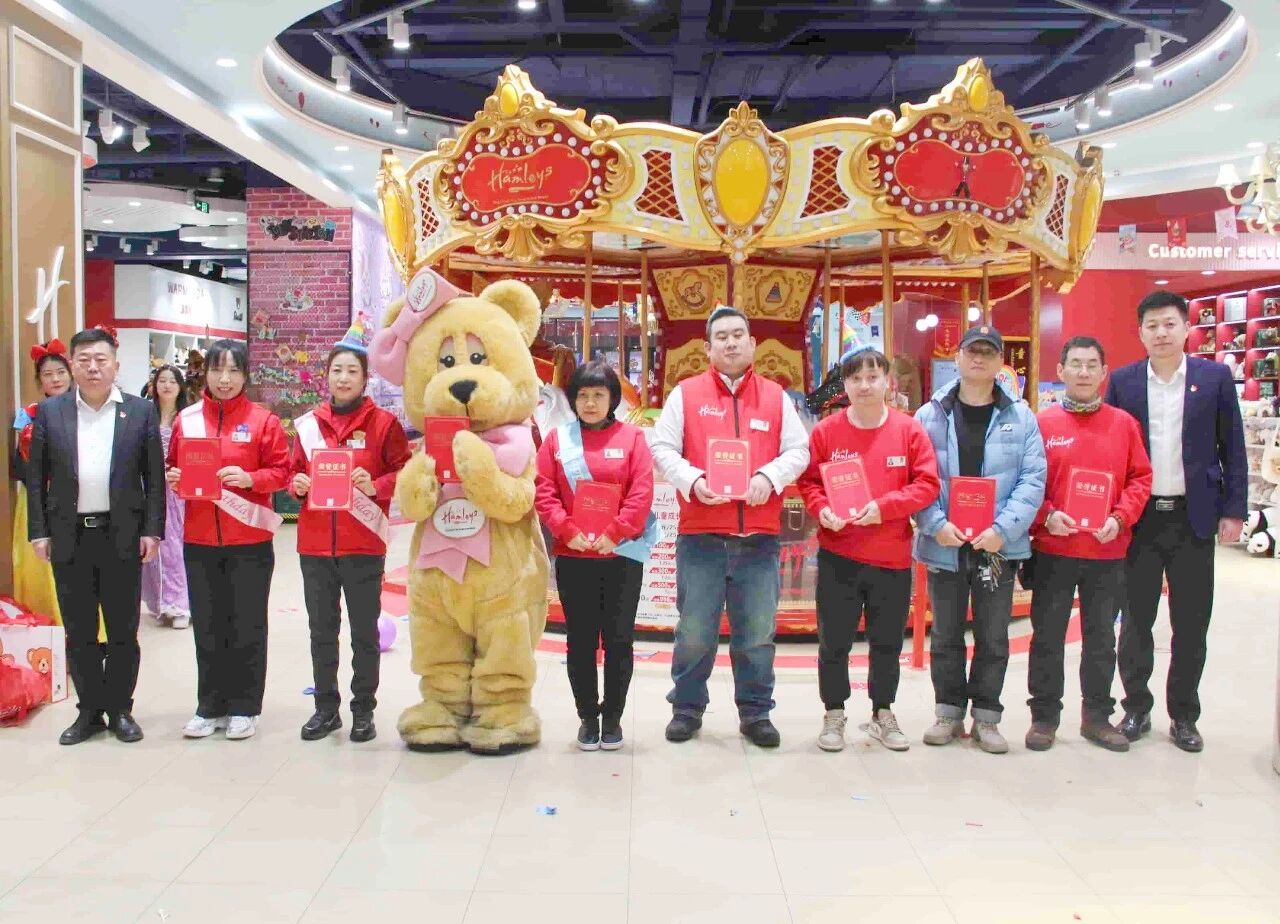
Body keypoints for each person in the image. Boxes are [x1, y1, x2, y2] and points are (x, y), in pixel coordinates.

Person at [650, 306, 810, 748]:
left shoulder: (776, 397)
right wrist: (693, 481)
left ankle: (756, 713)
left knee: (756, 634)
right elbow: (662, 447)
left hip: (758, 539)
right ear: (708, 347)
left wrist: (769, 478)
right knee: (694, 632)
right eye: (721, 336)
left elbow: (799, 451)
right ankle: (687, 709)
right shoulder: (685, 394)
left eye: (739, 334)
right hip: (701, 536)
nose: (731, 342)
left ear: (753, 343)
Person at [1104, 290, 1247, 752]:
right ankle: (1136, 708)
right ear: (1140, 333)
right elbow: (1111, 454)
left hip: (1194, 518)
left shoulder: (1214, 378)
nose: (1161, 333)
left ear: (1186, 328)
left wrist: (1234, 510)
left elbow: (1233, 448)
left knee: (1191, 623)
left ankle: (1184, 715)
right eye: (1152, 326)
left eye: (1169, 324)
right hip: (1140, 521)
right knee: (1135, 621)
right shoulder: (1124, 382)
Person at [797, 346, 940, 753]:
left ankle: (883, 712)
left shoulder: (909, 431)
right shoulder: (825, 432)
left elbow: (927, 484)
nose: (864, 386)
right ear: (844, 385)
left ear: (887, 382)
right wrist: (822, 509)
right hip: (838, 556)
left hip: (891, 556)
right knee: (834, 641)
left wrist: (884, 508)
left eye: (873, 377)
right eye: (856, 378)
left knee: (887, 643)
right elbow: (809, 483)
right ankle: (834, 712)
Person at [26, 327, 165, 745]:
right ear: (72, 365)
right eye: (84, 359)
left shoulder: (140, 411)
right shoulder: (50, 412)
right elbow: (37, 478)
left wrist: (152, 530)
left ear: (115, 366)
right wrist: (39, 531)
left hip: (121, 534)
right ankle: (88, 711)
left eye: (100, 360)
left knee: (123, 629)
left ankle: (120, 709)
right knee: (80, 630)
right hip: (69, 536)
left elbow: (153, 478)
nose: (92, 367)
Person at [913, 324, 1046, 754]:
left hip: (997, 548)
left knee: (993, 636)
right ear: (957, 357)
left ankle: (987, 717)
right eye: (972, 351)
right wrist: (935, 523)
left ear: (999, 362)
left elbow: (1032, 480)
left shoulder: (1021, 417)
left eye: (988, 352)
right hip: (945, 542)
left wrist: (1002, 530)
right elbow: (917, 478)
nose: (978, 359)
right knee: (946, 634)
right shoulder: (930, 415)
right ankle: (948, 712)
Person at [1026, 336, 1153, 752]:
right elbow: (1026, 482)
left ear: (1103, 373)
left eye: (1091, 365)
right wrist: (1046, 515)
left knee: (1100, 640)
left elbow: (1140, 478)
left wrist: (1120, 517)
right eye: (1075, 364)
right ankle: (1044, 716)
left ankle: (1096, 717)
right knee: (1047, 637)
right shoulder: (1042, 424)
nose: (1083, 372)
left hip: (1107, 552)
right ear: (1060, 371)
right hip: (1053, 551)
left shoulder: (1124, 424)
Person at [289, 331, 411, 744]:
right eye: (337, 370)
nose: (343, 378)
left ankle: (363, 710)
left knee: (364, 633)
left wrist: (376, 484)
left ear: (365, 379)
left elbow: (404, 471)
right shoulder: (309, 425)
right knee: (321, 631)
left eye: (352, 371)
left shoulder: (384, 424)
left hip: (363, 543)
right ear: (326, 376)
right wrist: (298, 485)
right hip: (315, 545)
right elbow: (292, 472)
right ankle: (326, 709)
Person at [166, 339, 289, 742]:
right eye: (217, 369)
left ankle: (245, 707)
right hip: (200, 540)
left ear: (245, 375)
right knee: (208, 624)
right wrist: (174, 477)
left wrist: (251, 478)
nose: (224, 379)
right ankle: (210, 706)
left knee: (248, 624)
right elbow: (173, 465)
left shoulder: (263, 421)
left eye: (234, 370)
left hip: (249, 540)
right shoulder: (187, 420)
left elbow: (282, 472)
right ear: (205, 374)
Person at [534, 360, 656, 751]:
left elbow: (641, 493)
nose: (590, 403)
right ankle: (588, 716)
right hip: (575, 557)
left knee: (619, 640)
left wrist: (614, 534)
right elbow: (544, 492)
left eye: (599, 395)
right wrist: (567, 531)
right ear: (572, 399)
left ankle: (613, 717)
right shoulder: (557, 441)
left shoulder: (633, 438)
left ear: (613, 398)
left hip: (622, 556)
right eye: (583, 395)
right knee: (581, 641)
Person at [11, 339, 73, 624]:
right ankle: (47, 626)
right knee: (40, 562)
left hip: (76, 497)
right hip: (38, 497)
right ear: (39, 380)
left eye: (60, 372)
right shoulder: (29, 414)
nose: (55, 379)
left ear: (71, 374)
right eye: (48, 374)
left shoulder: (85, 409)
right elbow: (20, 464)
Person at [140, 365, 192, 629]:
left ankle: (181, 604)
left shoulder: (188, 418)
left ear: (180, 386)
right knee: (154, 545)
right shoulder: (144, 416)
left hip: (179, 491)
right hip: (150, 489)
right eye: (162, 380)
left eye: (173, 381)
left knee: (176, 547)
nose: (167, 385)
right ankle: (161, 602)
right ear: (154, 386)